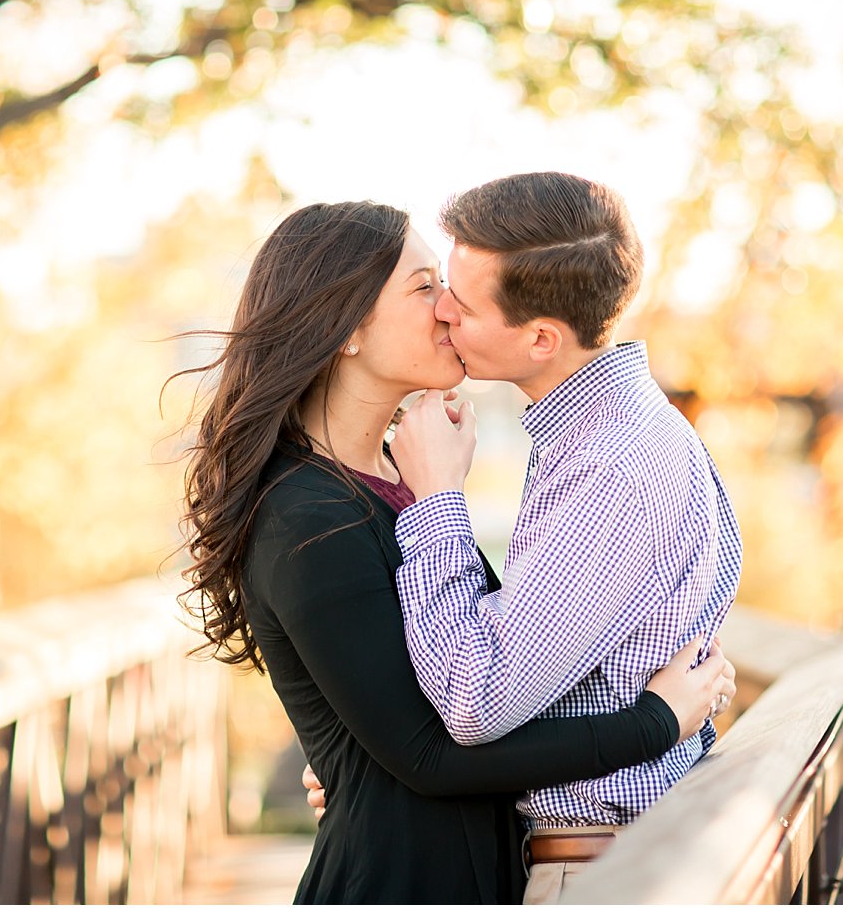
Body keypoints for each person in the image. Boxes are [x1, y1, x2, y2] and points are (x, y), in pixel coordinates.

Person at [173, 200, 736, 904]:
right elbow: (431, 755)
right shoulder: (305, 516)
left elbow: (462, 681)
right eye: (423, 287)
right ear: (344, 329)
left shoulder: (392, 483)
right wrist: (652, 724)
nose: (449, 309)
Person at [386, 172, 744, 903]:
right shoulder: (609, 433)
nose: (442, 311)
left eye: (463, 299)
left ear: (542, 338)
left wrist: (436, 499)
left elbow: (476, 695)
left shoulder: (608, 465)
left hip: (599, 874)